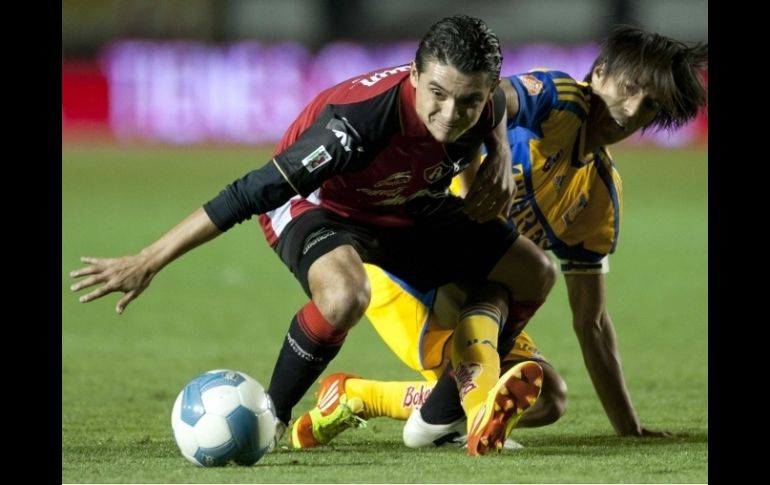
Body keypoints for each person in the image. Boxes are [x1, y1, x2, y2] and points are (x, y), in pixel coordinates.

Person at [69, 15, 558, 457]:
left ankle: (442, 416)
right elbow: (248, 192)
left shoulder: (480, 99)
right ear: (413, 76)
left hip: (405, 205)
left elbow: (497, 103)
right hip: (322, 208)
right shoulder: (355, 127)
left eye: (468, 100)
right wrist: (147, 260)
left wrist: (496, 153)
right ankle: (273, 417)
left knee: (532, 272)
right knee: (346, 295)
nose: (451, 114)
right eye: (438, 94)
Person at [289, 25, 709, 449]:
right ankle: (460, 417)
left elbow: (593, 321)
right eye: (630, 87)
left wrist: (629, 428)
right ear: (598, 73)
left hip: (478, 301)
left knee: (548, 399)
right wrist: (491, 164)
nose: (633, 108)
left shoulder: (598, 194)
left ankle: (359, 397)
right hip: (406, 270)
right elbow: (491, 100)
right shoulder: (556, 97)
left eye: (651, 105)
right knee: (498, 296)